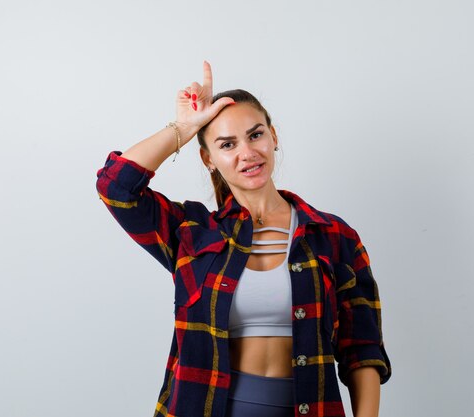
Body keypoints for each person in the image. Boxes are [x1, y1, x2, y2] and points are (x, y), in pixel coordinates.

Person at [95, 61, 391, 417]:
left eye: (255, 135)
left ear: (274, 137)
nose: (247, 153)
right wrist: (184, 127)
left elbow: (362, 350)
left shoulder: (334, 236)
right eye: (227, 144)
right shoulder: (191, 232)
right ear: (209, 159)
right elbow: (116, 187)